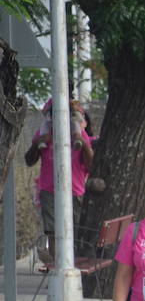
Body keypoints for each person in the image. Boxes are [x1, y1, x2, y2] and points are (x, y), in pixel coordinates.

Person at [24, 98, 95, 259]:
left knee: (74, 232)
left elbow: (91, 166)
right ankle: (58, 269)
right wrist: (37, 144)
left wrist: (83, 143)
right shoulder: (45, 132)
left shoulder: (78, 133)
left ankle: (71, 269)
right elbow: (29, 160)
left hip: (74, 191)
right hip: (49, 190)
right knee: (53, 233)